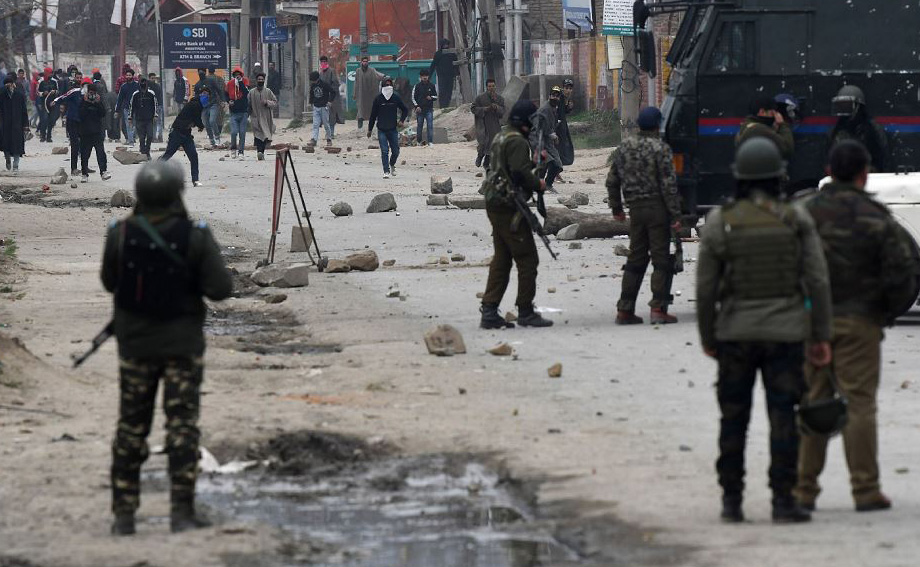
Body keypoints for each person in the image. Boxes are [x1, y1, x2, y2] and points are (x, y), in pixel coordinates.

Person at [696, 137, 833, 524]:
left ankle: (732, 500)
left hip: (735, 335)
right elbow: (818, 282)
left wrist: (709, 336)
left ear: (739, 177)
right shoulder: (795, 218)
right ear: (779, 177)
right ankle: (783, 501)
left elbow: (706, 289)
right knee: (784, 417)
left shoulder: (721, 222)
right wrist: (821, 336)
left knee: (733, 418)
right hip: (787, 336)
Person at [101, 160, 233, 536]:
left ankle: (124, 515)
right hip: (182, 347)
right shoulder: (195, 236)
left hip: (135, 346)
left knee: (131, 426)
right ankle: (181, 512)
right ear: (178, 193)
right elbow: (221, 289)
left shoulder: (120, 233)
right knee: (182, 427)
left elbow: (110, 282)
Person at [793, 140, 919, 513]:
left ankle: (803, 489)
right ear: (865, 176)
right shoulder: (876, 215)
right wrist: (886, 312)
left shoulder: (804, 213)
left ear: (829, 172)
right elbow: (906, 270)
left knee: (815, 401)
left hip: (813, 322)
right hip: (860, 322)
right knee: (859, 404)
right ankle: (865, 489)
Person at [479, 99, 553, 329]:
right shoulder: (518, 142)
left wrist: (533, 164)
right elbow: (520, 175)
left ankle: (490, 310)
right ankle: (526, 311)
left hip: (495, 202)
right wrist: (539, 183)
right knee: (527, 258)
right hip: (509, 205)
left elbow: (508, 169)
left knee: (502, 259)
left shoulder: (502, 136)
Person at [606, 107, 682, 325]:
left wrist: (617, 209)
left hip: (636, 211)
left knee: (635, 259)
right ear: (658, 125)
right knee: (660, 259)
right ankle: (658, 308)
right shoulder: (660, 148)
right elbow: (668, 185)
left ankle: (625, 309)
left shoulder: (624, 148)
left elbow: (612, 181)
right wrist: (676, 214)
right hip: (657, 209)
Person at [829, 85, 887, 172]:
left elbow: (881, 159)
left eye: (847, 106)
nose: (844, 110)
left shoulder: (873, 130)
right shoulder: (835, 131)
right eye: (841, 106)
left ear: (858, 107)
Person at [161, 87, 207, 187]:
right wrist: (201, 126)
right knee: (168, 154)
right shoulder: (195, 104)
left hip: (186, 134)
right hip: (177, 133)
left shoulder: (197, 104)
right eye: (203, 93)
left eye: (207, 94)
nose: (205, 96)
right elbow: (197, 118)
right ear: (199, 94)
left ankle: (195, 180)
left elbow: (194, 119)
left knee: (193, 156)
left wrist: (197, 125)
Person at [367, 77, 408, 179]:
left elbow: (405, 110)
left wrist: (401, 120)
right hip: (381, 129)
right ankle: (386, 170)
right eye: (386, 85)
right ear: (382, 86)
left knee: (396, 151)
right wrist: (370, 129)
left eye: (390, 85)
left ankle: (392, 164)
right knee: (384, 151)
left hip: (393, 129)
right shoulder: (378, 99)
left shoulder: (395, 97)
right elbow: (373, 115)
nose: (388, 87)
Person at [735, 95, 794, 159]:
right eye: (772, 112)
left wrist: (773, 130)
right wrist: (783, 125)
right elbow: (787, 149)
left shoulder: (747, 127)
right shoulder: (757, 129)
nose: (775, 115)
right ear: (762, 112)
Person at [529, 86, 564, 192]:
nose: (555, 97)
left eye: (557, 96)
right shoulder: (545, 109)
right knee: (547, 162)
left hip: (546, 141)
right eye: (553, 95)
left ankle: (547, 184)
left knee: (557, 164)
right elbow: (538, 127)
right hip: (537, 139)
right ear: (549, 96)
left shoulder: (554, 108)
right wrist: (551, 134)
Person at [78, 82, 111, 182]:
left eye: (94, 93)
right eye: (90, 93)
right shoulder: (83, 102)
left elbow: (102, 114)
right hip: (85, 132)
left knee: (100, 153)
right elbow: (81, 115)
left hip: (97, 132)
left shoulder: (98, 102)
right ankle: (84, 174)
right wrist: (87, 102)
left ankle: (103, 172)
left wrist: (97, 103)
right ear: (87, 93)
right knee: (85, 154)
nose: (92, 95)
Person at [54, 78, 85, 176]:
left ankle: (84, 168)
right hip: (72, 121)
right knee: (75, 144)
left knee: (84, 145)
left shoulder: (89, 94)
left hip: (83, 121)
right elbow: (62, 97)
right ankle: (74, 168)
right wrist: (55, 101)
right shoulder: (74, 92)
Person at [471, 78, 504, 166]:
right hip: (483, 124)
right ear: (486, 87)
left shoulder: (500, 98)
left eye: (493, 86)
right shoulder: (480, 98)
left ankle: (486, 162)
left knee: (493, 144)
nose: (491, 88)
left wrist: (496, 107)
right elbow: (473, 108)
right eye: (489, 86)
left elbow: (503, 112)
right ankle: (480, 156)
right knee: (483, 142)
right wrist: (485, 109)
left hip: (495, 125)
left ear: (495, 87)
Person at [0, 75, 28, 173]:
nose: (8, 86)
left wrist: (26, 125)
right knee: (5, 144)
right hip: (5, 123)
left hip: (17, 123)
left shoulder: (19, 95)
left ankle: (15, 165)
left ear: (13, 84)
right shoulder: (2, 95)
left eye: (9, 84)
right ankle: (7, 159)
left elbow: (24, 111)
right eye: (6, 84)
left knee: (17, 145)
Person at [248, 72, 277, 161]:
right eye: (259, 79)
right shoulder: (251, 92)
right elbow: (248, 104)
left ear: (264, 80)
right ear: (256, 81)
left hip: (266, 117)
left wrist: (267, 102)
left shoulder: (268, 91)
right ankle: (259, 152)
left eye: (262, 79)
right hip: (255, 117)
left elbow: (275, 102)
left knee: (265, 135)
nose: (260, 81)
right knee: (257, 135)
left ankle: (262, 152)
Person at [130, 78, 158, 160]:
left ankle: (147, 151)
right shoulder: (135, 94)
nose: (143, 85)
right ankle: (143, 152)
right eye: (141, 83)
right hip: (139, 119)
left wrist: (155, 115)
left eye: (144, 83)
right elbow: (132, 106)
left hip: (149, 119)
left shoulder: (151, 94)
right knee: (141, 137)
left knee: (150, 136)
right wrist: (130, 117)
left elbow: (155, 105)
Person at [354, 56, 384, 130]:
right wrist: (354, 93)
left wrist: (384, 77)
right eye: (363, 61)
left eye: (366, 61)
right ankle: (360, 127)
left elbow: (378, 76)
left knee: (372, 109)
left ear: (368, 62)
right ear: (361, 62)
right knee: (360, 111)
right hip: (361, 94)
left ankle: (374, 127)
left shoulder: (372, 70)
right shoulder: (358, 71)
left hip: (370, 94)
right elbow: (356, 83)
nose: (365, 63)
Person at [226, 67, 249, 159]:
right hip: (233, 112)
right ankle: (233, 149)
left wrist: (240, 82)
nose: (237, 76)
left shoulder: (245, 81)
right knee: (233, 132)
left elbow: (246, 93)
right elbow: (225, 94)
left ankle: (241, 152)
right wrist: (228, 101)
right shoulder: (230, 83)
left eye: (239, 74)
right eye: (235, 75)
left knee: (242, 133)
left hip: (243, 112)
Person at [318, 55, 343, 138]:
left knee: (332, 116)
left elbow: (335, 83)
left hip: (333, 98)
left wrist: (331, 93)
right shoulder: (321, 73)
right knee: (325, 116)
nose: (323, 63)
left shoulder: (331, 71)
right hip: (323, 98)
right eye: (322, 62)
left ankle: (331, 133)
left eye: (325, 62)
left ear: (327, 62)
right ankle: (328, 132)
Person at [410, 69, 438, 146]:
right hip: (420, 110)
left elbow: (436, 96)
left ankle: (430, 142)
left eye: (426, 76)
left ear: (428, 76)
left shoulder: (432, 86)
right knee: (419, 126)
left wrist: (431, 98)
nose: (425, 77)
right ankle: (419, 141)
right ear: (421, 77)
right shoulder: (417, 86)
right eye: (423, 76)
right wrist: (417, 106)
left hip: (429, 109)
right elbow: (413, 97)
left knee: (430, 126)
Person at [308, 71, 335, 147]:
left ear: (316, 79)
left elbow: (333, 92)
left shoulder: (324, 84)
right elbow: (311, 94)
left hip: (324, 107)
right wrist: (311, 103)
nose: (312, 81)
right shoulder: (313, 85)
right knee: (315, 124)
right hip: (316, 107)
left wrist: (330, 101)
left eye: (312, 80)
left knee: (326, 124)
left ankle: (329, 139)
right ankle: (314, 139)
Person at [194, 68, 220, 146]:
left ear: (205, 72)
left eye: (202, 71)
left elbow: (218, 90)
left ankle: (217, 137)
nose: (201, 73)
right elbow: (196, 96)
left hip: (213, 104)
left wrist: (223, 100)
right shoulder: (197, 84)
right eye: (199, 72)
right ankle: (212, 140)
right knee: (206, 124)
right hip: (204, 107)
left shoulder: (211, 81)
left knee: (212, 121)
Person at [429, 39, 458, 108]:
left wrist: (457, 74)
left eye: (447, 44)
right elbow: (433, 65)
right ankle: (442, 106)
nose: (446, 46)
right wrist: (429, 75)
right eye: (444, 44)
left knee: (449, 91)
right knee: (442, 91)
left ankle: (447, 106)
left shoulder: (452, 54)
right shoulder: (438, 54)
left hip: (450, 76)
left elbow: (456, 65)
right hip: (441, 76)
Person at [115, 69, 139, 145]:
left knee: (135, 124)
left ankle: (133, 137)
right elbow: (120, 99)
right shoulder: (123, 86)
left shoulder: (137, 85)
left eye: (130, 75)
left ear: (133, 76)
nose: (128, 76)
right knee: (128, 124)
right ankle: (131, 140)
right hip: (127, 108)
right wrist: (117, 110)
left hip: (136, 108)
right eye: (127, 75)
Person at [556, 78, 575, 168]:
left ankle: (557, 171)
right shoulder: (559, 97)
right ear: (563, 88)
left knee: (562, 147)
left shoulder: (566, 99)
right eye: (566, 88)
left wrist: (569, 107)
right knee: (557, 148)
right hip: (557, 126)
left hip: (563, 125)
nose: (568, 90)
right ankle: (556, 172)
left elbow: (563, 112)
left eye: (570, 88)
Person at [37, 67, 59, 142]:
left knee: (51, 120)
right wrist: (43, 93)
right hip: (44, 103)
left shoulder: (54, 81)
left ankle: (49, 136)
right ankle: (43, 135)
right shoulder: (41, 81)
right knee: (44, 119)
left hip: (52, 103)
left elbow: (57, 91)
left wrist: (54, 92)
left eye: (51, 73)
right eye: (49, 72)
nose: (50, 74)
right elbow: (38, 92)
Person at [209, 66, 227, 145]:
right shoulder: (220, 79)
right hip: (219, 101)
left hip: (210, 101)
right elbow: (224, 89)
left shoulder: (206, 79)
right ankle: (218, 133)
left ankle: (212, 135)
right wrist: (223, 100)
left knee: (211, 118)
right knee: (219, 118)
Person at [147, 73, 164, 142]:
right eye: (152, 78)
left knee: (158, 122)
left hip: (158, 106)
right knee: (154, 122)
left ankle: (159, 136)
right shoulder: (148, 87)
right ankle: (154, 137)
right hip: (152, 106)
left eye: (154, 78)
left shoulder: (157, 86)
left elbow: (160, 96)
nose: (153, 80)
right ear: (149, 78)